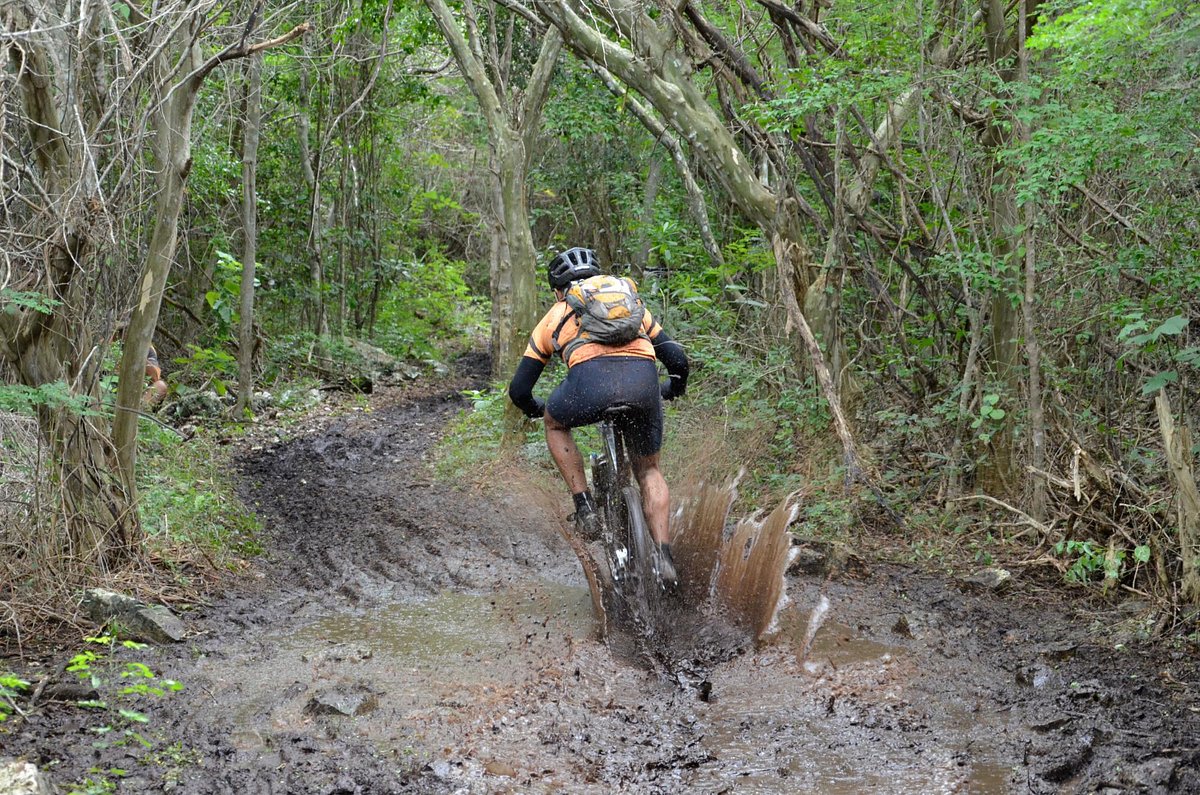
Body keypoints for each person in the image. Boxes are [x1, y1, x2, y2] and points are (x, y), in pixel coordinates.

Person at [508, 247, 689, 585]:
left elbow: (519, 390)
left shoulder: (556, 314)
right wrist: (671, 389)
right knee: (649, 469)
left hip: (588, 388)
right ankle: (664, 556)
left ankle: (585, 506)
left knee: (555, 423)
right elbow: (677, 359)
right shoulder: (631, 306)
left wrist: (539, 410)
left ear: (559, 290)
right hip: (642, 384)